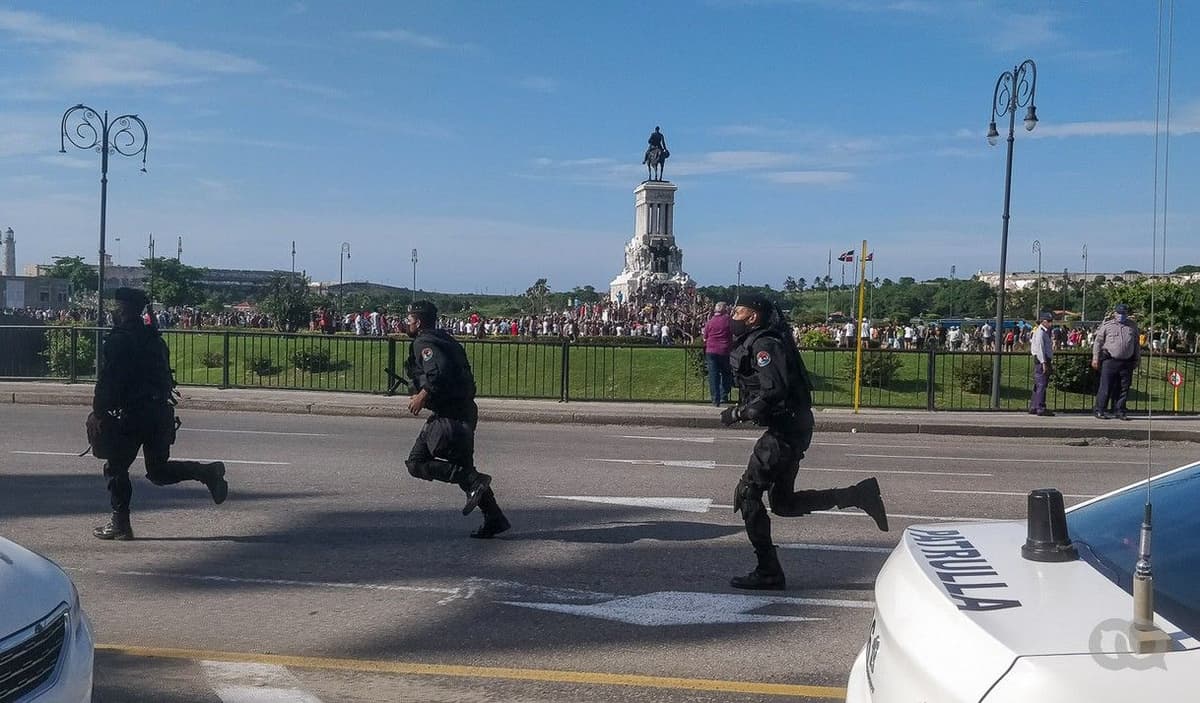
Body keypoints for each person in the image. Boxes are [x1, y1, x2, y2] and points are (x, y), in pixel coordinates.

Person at [720, 293, 888, 590]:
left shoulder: (764, 344)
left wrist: (739, 413)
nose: (733, 317)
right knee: (783, 504)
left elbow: (774, 391)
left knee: (748, 493)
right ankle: (857, 495)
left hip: (786, 430)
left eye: (738, 312)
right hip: (792, 427)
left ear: (753, 316)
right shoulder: (762, 340)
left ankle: (768, 571)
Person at [90, 287, 228, 540]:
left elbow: (109, 380)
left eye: (116, 307)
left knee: (116, 468)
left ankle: (120, 524)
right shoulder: (154, 339)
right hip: (158, 412)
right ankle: (206, 472)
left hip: (132, 415)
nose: (113, 311)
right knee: (158, 471)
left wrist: (99, 411)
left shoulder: (119, 340)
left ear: (123, 310)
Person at [402, 300, 510, 538]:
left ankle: (477, 484)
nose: (406, 323)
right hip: (462, 411)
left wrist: (421, 396)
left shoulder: (424, 342)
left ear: (418, 322)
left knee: (417, 462)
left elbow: (439, 372)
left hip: (450, 415)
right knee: (464, 469)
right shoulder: (443, 338)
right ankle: (494, 518)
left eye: (409, 319)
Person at [1092, 303, 1140, 421]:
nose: (1121, 316)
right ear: (1115, 313)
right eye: (1119, 313)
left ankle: (1120, 411)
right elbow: (1098, 342)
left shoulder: (1132, 326)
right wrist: (1095, 358)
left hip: (1127, 362)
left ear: (1127, 314)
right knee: (1106, 387)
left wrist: (1137, 359)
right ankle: (1100, 410)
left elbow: (1136, 344)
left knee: (1124, 388)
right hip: (1110, 361)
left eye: (1123, 313)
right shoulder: (1107, 325)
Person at [702, 302, 734, 406]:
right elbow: (734, 332)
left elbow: (705, 337)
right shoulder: (728, 320)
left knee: (713, 375)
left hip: (711, 350)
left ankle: (715, 399)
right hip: (724, 350)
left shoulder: (710, 322)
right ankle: (723, 395)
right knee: (726, 373)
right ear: (725, 310)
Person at [1028, 312, 1054, 417]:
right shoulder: (1041, 333)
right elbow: (1040, 349)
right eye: (1049, 321)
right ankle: (1040, 407)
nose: (1051, 323)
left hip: (1041, 360)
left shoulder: (1042, 332)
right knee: (1042, 384)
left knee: (1038, 385)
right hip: (1041, 360)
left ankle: (1034, 406)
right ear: (1043, 321)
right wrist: (1044, 362)